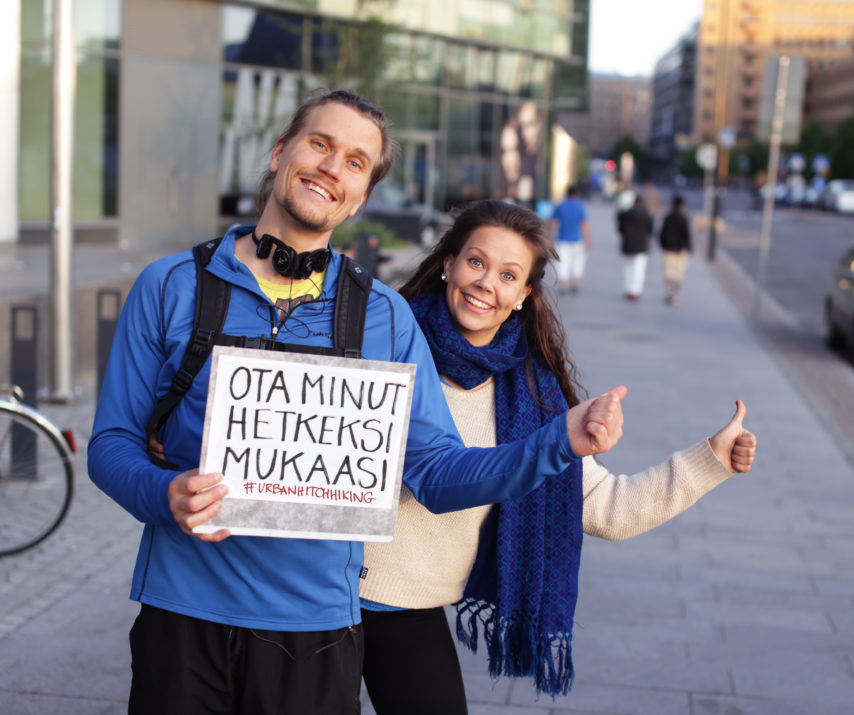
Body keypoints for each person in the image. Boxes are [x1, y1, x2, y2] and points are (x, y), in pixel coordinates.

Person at [87, 88, 627, 715]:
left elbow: (434, 472)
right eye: (320, 144)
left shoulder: (385, 319)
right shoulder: (171, 286)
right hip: (180, 614)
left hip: (314, 633)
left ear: (362, 193)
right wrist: (164, 493)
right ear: (279, 151)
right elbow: (111, 444)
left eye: (354, 161)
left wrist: (557, 441)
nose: (330, 167)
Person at [359, 200, 757, 714]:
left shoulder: (534, 394)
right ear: (449, 263)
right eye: (476, 263)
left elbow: (607, 507)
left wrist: (711, 460)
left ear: (524, 295)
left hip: (409, 608)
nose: (486, 283)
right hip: (322, 593)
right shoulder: (384, 339)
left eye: (508, 274)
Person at [549, 185, 591, 294]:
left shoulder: (560, 206)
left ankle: (563, 284)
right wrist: (588, 240)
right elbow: (584, 224)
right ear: (577, 194)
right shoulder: (580, 206)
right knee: (578, 261)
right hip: (578, 240)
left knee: (562, 262)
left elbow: (553, 223)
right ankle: (575, 282)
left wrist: (551, 238)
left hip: (562, 239)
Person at [617, 194, 653, 301]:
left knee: (627, 268)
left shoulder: (626, 214)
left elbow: (620, 229)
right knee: (639, 269)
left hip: (628, 245)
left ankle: (628, 288)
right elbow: (650, 231)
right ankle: (636, 290)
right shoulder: (646, 215)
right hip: (641, 246)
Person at [659, 194, 693, 305]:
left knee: (669, 272)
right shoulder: (684, 218)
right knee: (678, 274)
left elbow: (662, 233)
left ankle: (669, 292)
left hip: (669, 249)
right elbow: (687, 235)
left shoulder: (668, 217)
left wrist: (664, 246)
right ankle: (676, 294)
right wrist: (688, 248)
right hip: (680, 251)